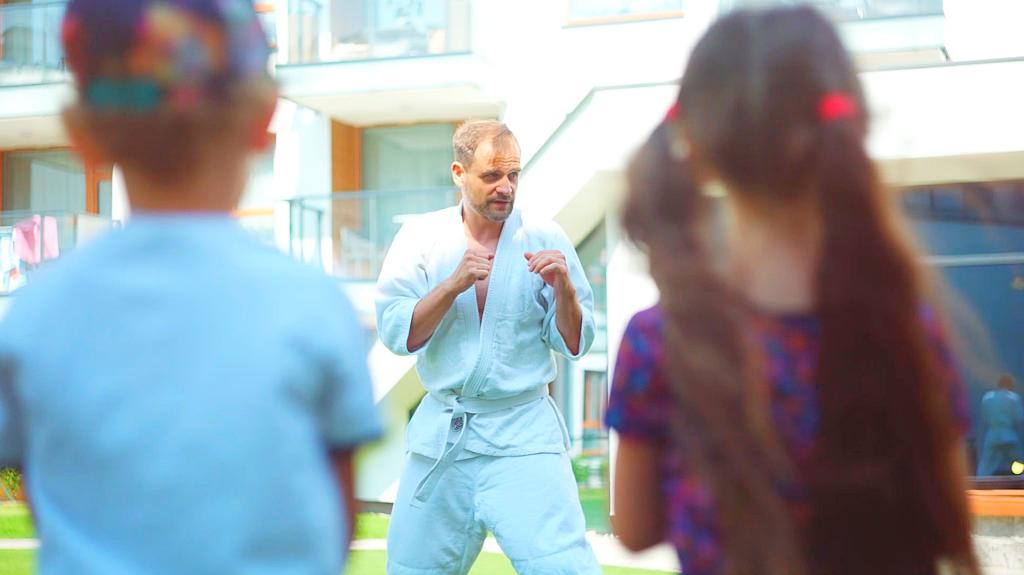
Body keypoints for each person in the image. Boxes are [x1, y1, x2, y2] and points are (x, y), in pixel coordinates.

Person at [0, 1, 382, 573]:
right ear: (264, 119)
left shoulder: (36, 313)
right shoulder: (313, 305)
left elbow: (42, 491)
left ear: (81, 135)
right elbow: (335, 515)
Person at [606, 7, 979, 575]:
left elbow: (634, 529)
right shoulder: (904, 326)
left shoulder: (660, 341)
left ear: (697, 149)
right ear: (851, 127)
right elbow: (950, 522)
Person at [376, 120, 601, 575]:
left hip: (523, 434)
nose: (506, 187)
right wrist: (451, 285)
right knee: (411, 568)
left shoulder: (544, 237)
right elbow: (398, 334)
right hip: (445, 435)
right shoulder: (420, 238)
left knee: (564, 567)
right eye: (492, 175)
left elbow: (575, 343)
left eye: (514, 174)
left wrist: (564, 289)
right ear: (459, 173)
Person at [977, 374, 1024, 475]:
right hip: (1009, 435)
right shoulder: (1014, 398)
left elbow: (984, 416)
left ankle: (980, 481)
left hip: (992, 435)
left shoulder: (987, 398)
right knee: (1018, 463)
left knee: (986, 465)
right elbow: (1019, 418)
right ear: (1010, 385)